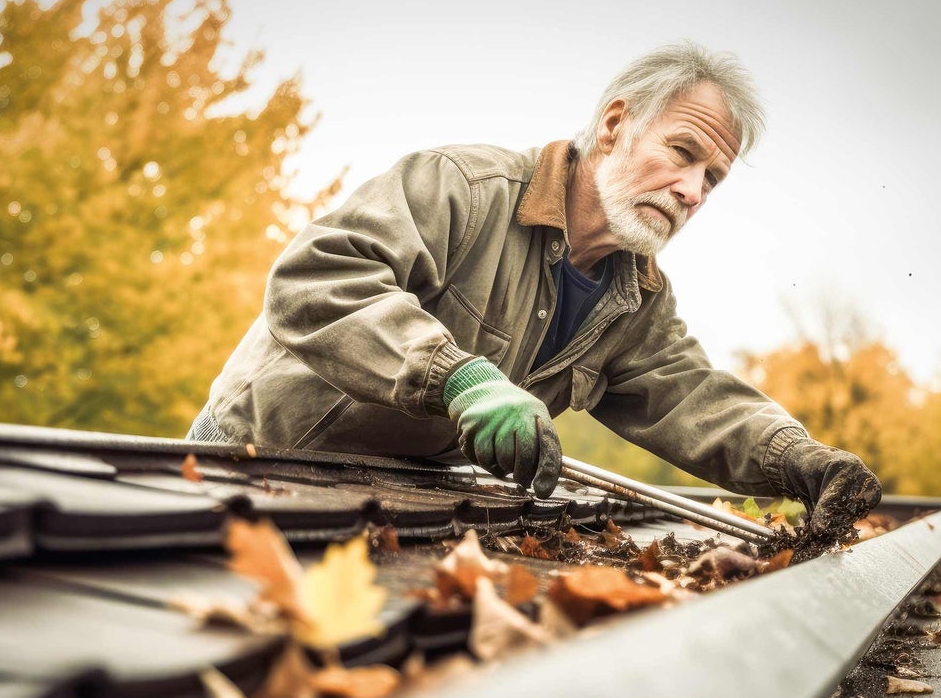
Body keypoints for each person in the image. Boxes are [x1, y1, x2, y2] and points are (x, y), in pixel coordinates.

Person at [190, 41, 881, 535]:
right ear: (615, 125)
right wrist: (459, 378)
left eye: (713, 179)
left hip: (397, 501)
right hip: (252, 465)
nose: (692, 191)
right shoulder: (463, 188)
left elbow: (692, 396)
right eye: (683, 152)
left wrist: (798, 460)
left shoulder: (637, 300)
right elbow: (317, 278)